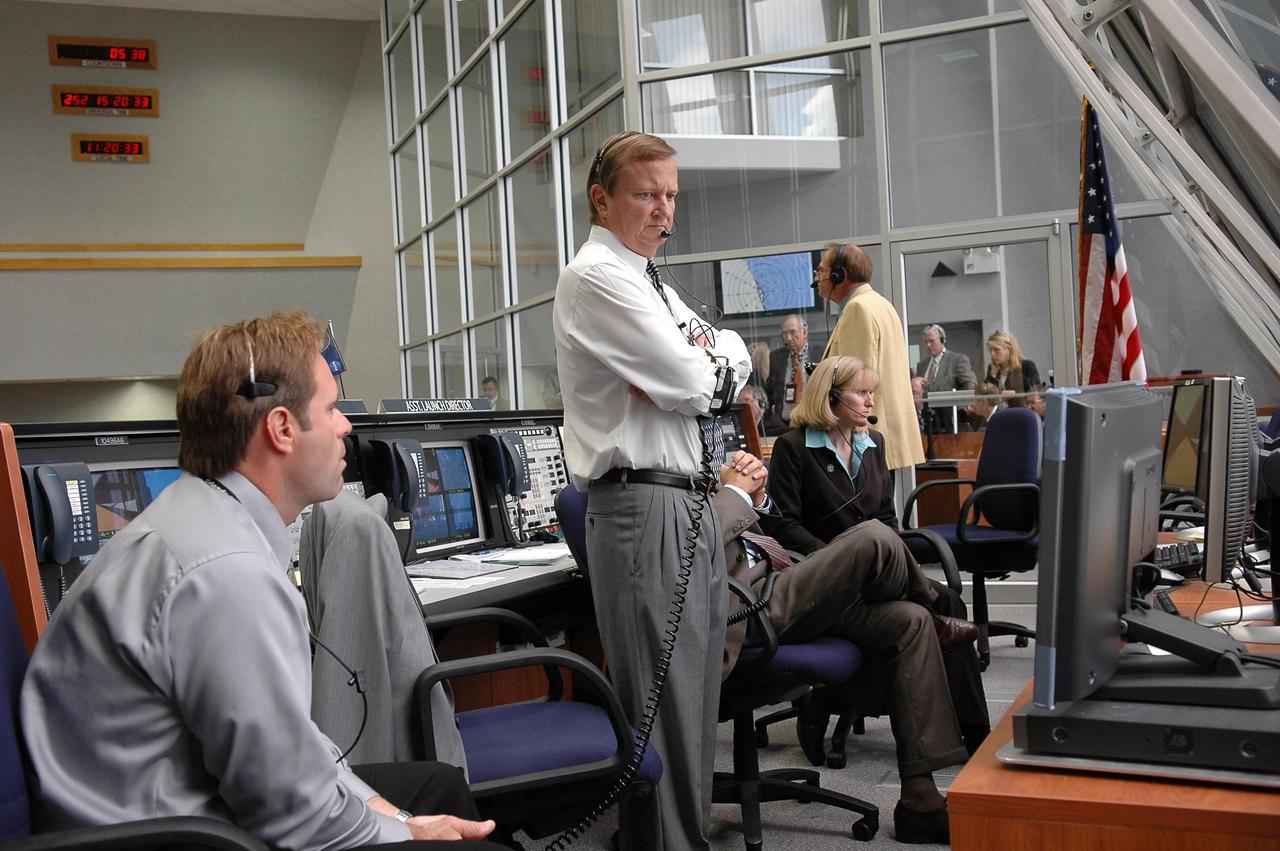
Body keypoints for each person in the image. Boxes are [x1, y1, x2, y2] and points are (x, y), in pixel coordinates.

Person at [20, 311, 502, 851]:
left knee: (435, 786)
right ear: (280, 429)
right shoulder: (228, 575)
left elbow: (288, 744)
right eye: (331, 408)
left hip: (184, 802)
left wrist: (390, 813)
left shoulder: (205, 519)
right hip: (173, 835)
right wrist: (406, 832)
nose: (347, 426)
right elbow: (295, 815)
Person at [553, 131, 750, 851]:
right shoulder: (598, 276)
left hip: (685, 501)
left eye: (671, 195)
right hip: (642, 504)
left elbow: (729, 357)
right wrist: (697, 371)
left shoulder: (648, 280)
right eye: (646, 194)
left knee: (695, 707)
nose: (664, 209)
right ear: (602, 199)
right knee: (663, 714)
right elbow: (696, 380)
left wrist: (698, 368)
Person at [715, 449, 974, 844]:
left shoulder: (694, 456)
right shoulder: (648, 479)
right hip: (743, 607)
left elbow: (767, 532)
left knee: (909, 621)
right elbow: (694, 549)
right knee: (873, 537)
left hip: (778, 578)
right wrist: (733, 495)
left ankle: (920, 802)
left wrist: (757, 496)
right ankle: (936, 604)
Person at [762, 357, 991, 750]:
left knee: (950, 602)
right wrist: (844, 558)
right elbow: (782, 526)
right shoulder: (793, 447)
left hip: (877, 574)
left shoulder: (873, 444)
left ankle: (974, 734)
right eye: (862, 393)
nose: (871, 402)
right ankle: (832, 697)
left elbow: (886, 518)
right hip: (825, 580)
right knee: (924, 612)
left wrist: (882, 564)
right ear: (831, 396)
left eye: (872, 393)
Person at [816, 243, 924, 472]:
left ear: (840, 275)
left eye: (821, 271)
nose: (818, 278)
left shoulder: (858, 309)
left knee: (868, 508)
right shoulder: (880, 304)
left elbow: (856, 384)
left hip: (865, 441)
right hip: (883, 433)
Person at [764, 313, 811, 434]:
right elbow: (770, 390)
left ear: (804, 332)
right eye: (784, 334)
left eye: (792, 332)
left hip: (812, 421)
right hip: (784, 424)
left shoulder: (820, 354)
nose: (788, 338)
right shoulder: (776, 357)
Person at [983, 329, 1040, 408]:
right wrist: (992, 377)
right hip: (998, 415)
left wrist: (1015, 393)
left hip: (1022, 413)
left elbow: (1036, 393)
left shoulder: (1026, 366)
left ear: (1008, 349)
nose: (992, 354)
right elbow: (987, 398)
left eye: (996, 350)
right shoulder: (992, 368)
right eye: (991, 350)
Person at [913, 324, 976, 393]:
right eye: (926, 342)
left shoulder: (957, 360)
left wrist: (966, 402)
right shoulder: (921, 365)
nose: (928, 345)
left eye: (932, 341)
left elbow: (970, 384)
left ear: (943, 340)